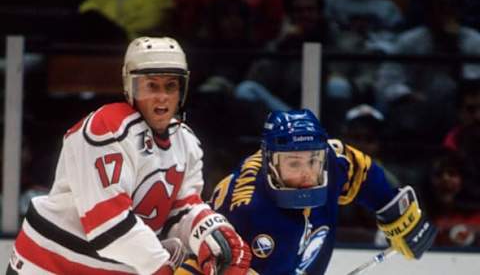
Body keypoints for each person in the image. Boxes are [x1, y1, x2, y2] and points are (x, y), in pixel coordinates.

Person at [7, 37, 251, 275]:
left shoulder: (186, 141)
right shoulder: (106, 129)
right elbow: (108, 223)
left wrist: (210, 231)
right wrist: (163, 268)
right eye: (151, 86)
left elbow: (180, 210)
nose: (162, 96)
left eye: (170, 86)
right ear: (130, 87)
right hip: (49, 264)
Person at [178, 109, 437, 274]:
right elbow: (202, 260)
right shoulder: (245, 208)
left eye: (312, 161)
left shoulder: (332, 162)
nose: (306, 173)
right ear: (271, 163)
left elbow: (362, 170)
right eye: (293, 163)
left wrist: (393, 209)